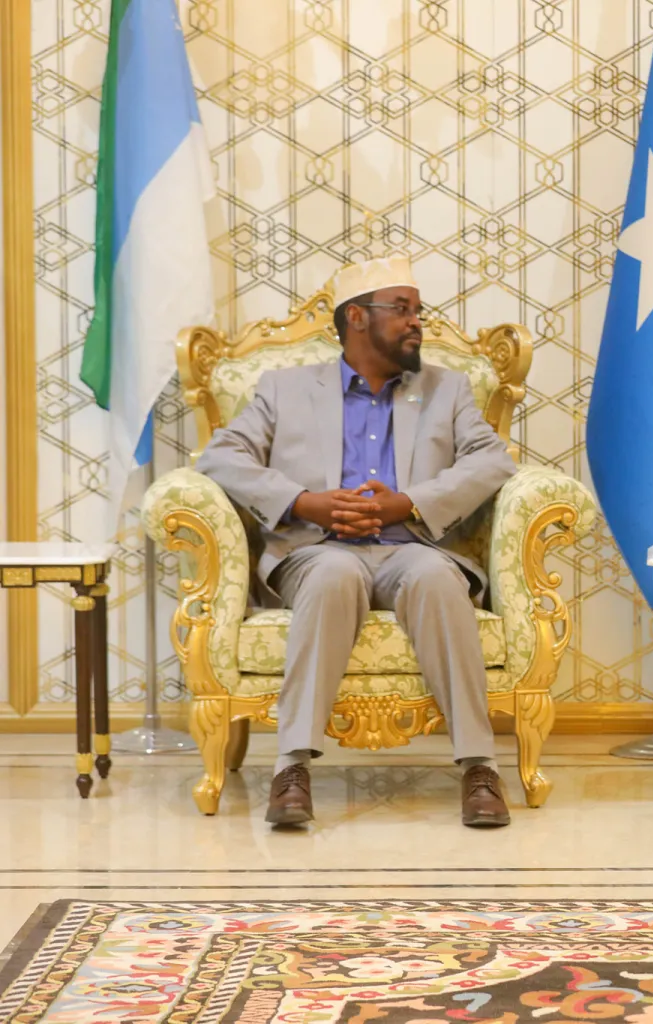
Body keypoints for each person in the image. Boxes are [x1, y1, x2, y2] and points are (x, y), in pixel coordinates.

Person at [197, 256, 518, 829]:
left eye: (418, 310)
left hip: (413, 547)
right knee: (333, 574)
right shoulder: (285, 388)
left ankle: (479, 768)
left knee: (436, 579)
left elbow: (492, 460)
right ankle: (292, 768)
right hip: (316, 550)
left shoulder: (446, 388)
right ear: (356, 317)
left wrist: (410, 502)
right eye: (402, 309)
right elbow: (220, 457)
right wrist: (303, 501)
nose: (416, 321)